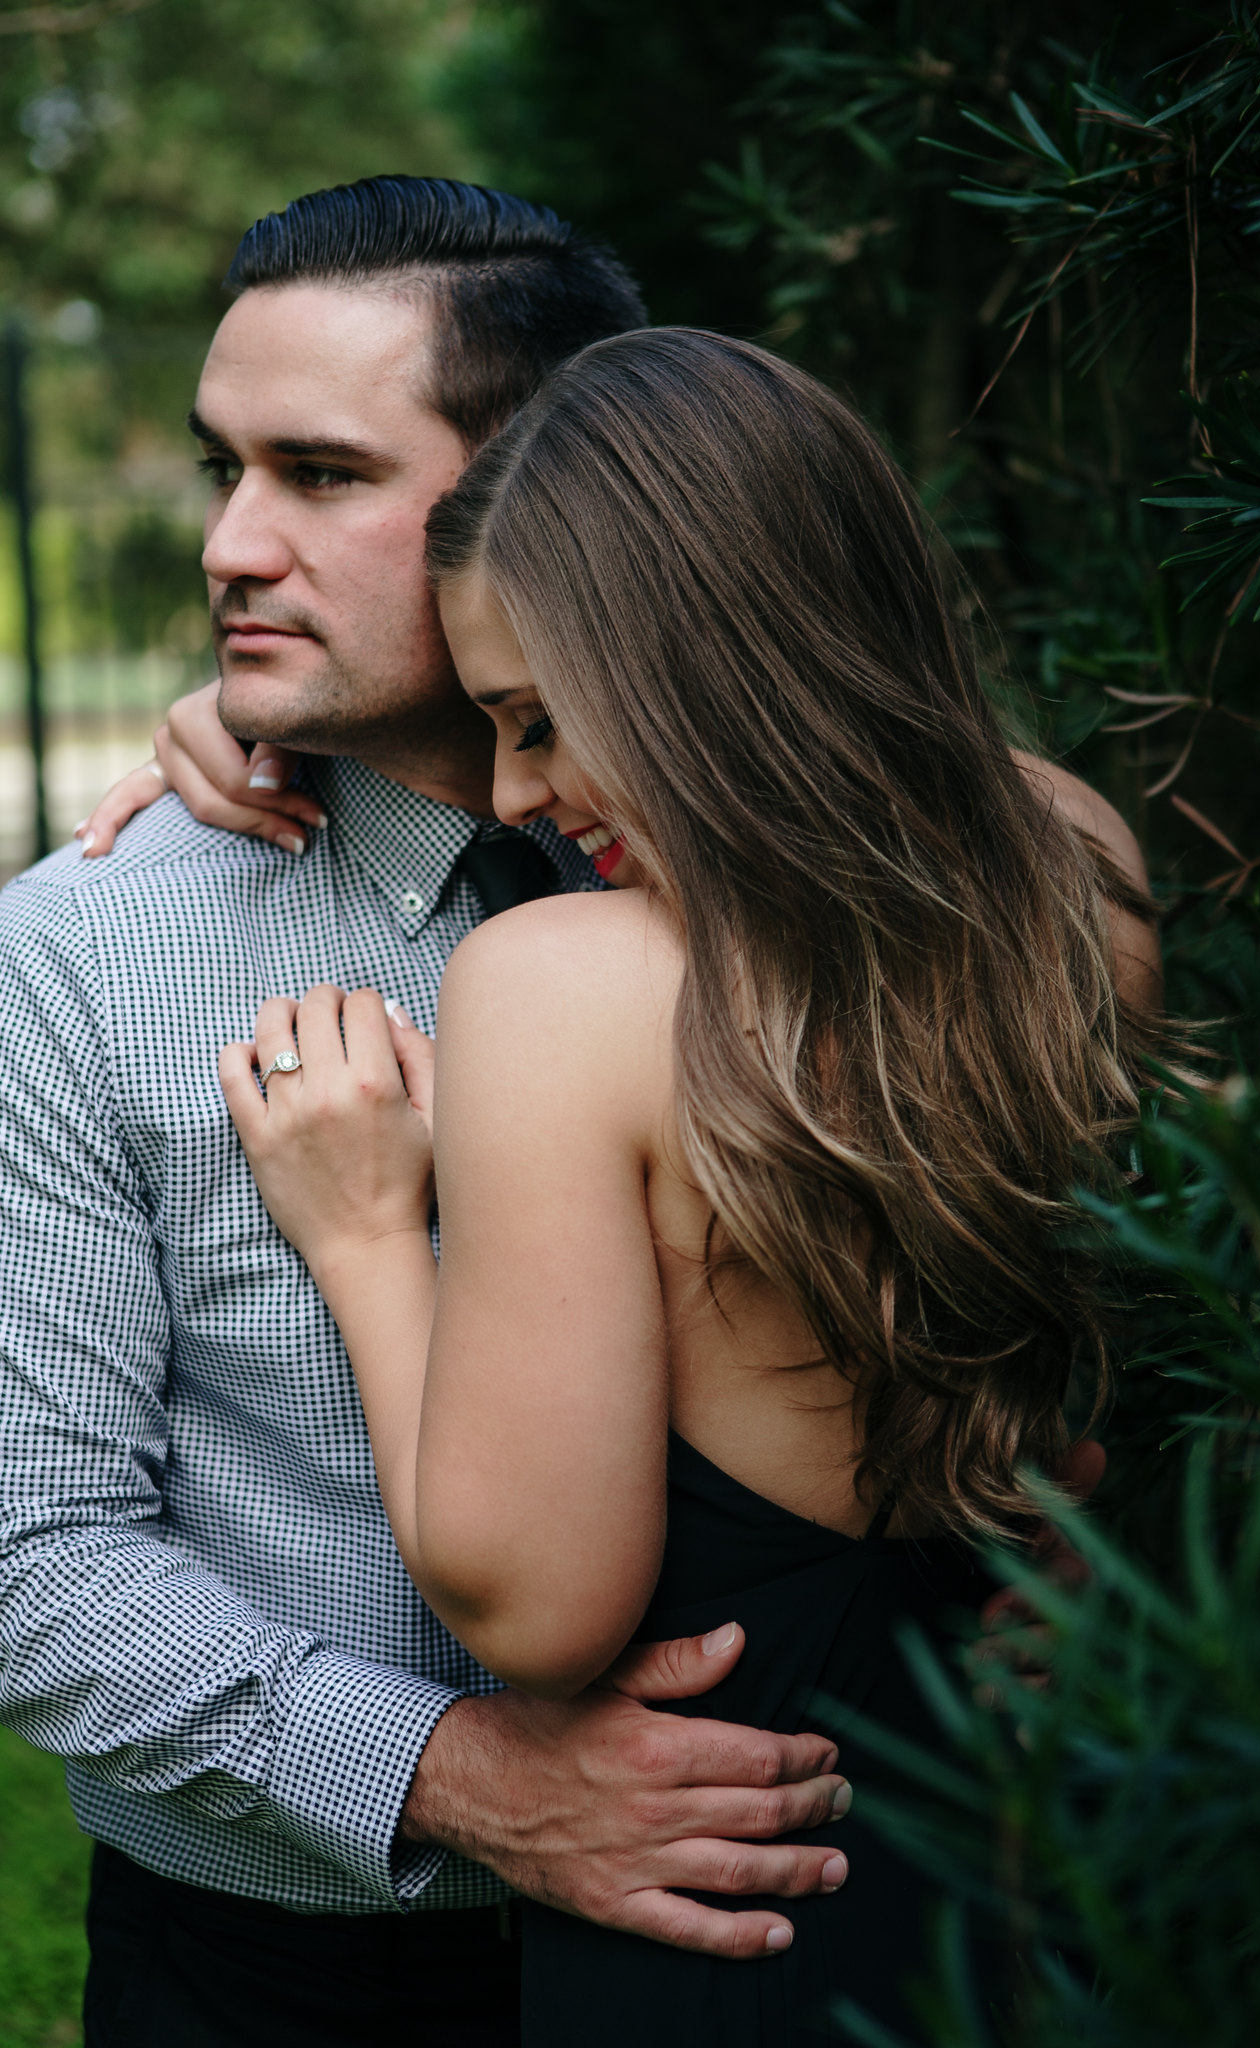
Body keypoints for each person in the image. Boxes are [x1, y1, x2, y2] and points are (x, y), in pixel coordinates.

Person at [209, 328, 1161, 2042]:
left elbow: (538, 1603)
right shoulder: (1075, 871)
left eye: (541, 719)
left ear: (703, 663)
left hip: (740, 1907)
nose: (518, 793)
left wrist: (363, 1237)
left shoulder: (567, 986)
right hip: (1061, 1868)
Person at [0, 181, 865, 2048]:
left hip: (818, 1908)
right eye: (223, 467)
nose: (228, 543)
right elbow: (29, 1554)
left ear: (544, 497)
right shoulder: (76, 950)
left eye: (317, 474)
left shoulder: (819, 901)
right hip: (290, 1976)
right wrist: (455, 1777)